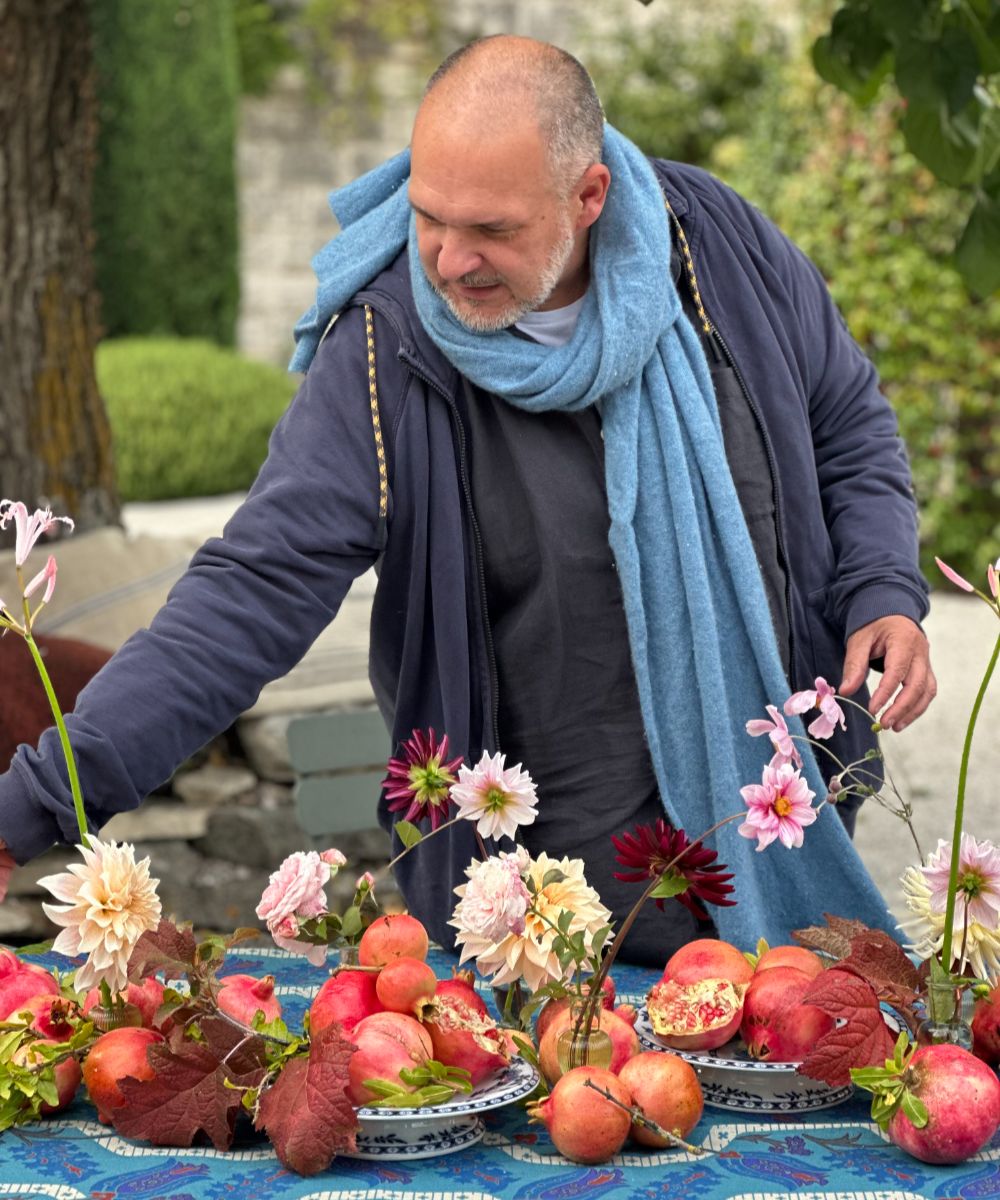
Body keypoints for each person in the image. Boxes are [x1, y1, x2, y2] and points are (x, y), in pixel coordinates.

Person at [0, 36, 935, 962]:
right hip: (534, 936)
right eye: (429, 218)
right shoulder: (386, 353)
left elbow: (847, 421)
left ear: (589, 197)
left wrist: (886, 586)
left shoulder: (722, 248)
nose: (449, 260)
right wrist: (28, 806)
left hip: (791, 864)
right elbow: (245, 598)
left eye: (492, 230)